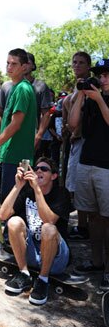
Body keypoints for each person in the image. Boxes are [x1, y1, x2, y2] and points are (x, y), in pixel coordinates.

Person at [0, 157, 70, 305]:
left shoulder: (61, 193)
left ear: (54, 176)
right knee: (13, 222)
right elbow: (2, 215)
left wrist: (37, 190)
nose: (38, 171)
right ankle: (24, 273)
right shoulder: (26, 191)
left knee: (48, 229)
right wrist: (18, 186)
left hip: (55, 260)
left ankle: (43, 280)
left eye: (44, 169)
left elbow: (49, 220)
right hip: (30, 255)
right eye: (36, 168)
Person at [69, 58, 109, 291]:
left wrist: (100, 100)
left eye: (106, 75)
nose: (102, 79)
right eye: (100, 75)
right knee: (92, 216)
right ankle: (96, 262)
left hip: (106, 167)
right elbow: (73, 124)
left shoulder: (101, 100)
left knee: (108, 219)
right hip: (86, 162)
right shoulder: (91, 99)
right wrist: (81, 95)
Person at [0, 49, 37, 201]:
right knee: (5, 203)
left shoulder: (23, 89)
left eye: (14, 64)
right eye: (7, 63)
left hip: (17, 158)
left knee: (11, 207)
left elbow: (15, 124)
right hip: (10, 155)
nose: (9, 67)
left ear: (25, 67)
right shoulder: (14, 87)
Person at [62, 51, 92, 240]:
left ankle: (83, 227)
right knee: (73, 183)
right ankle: (81, 225)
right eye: (74, 62)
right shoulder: (76, 87)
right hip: (74, 140)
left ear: (89, 66)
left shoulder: (90, 86)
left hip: (84, 141)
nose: (77, 65)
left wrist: (77, 132)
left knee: (79, 185)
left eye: (81, 62)